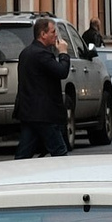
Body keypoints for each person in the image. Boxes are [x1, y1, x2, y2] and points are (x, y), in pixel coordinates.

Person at [14, 15, 72, 158]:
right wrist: (63, 53)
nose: (56, 35)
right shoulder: (41, 54)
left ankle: (15, 175)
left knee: (24, 153)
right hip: (44, 114)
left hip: (29, 111)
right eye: (53, 32)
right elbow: (61, 72)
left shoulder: (26, 53)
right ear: (43, 34)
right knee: (59, 151)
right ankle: (63, 178)